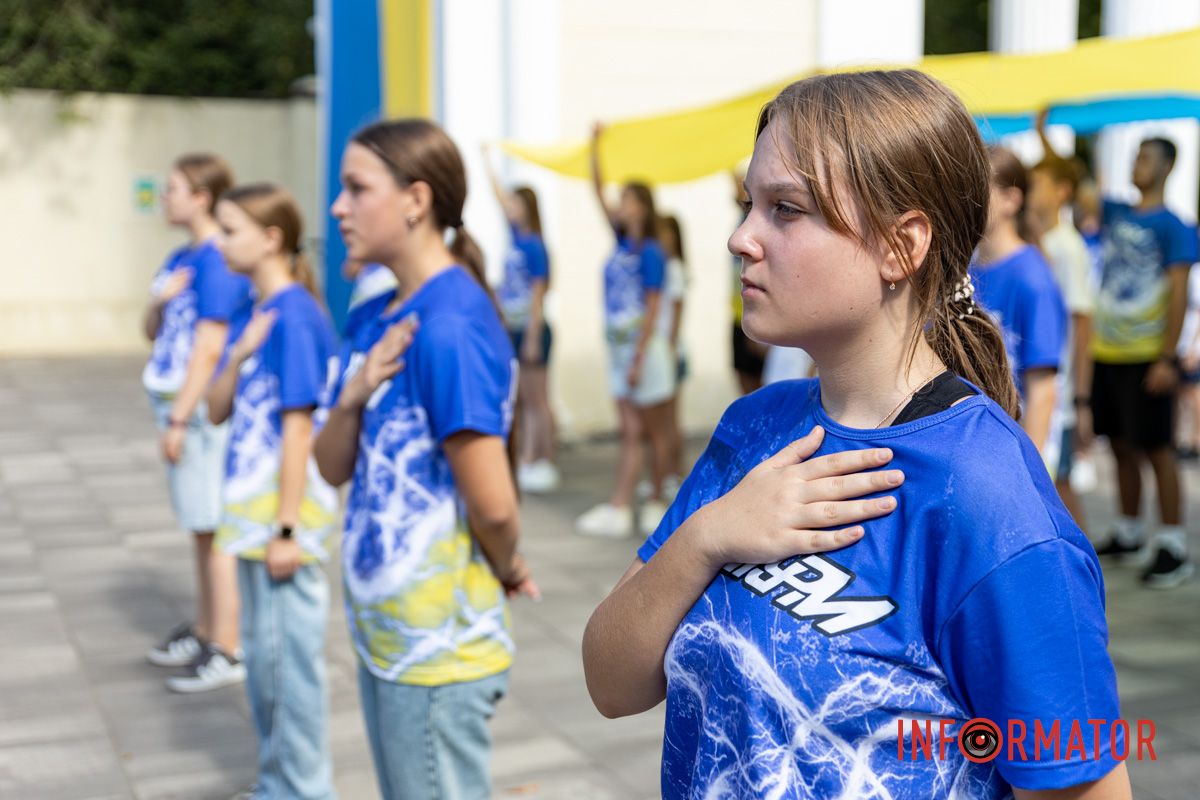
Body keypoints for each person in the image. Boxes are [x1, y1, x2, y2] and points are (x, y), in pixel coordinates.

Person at [583, 70, 1129, 799]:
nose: (741, 238)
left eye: (786, 209)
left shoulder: (990, 499)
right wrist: (709, 534)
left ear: (901, 247)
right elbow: (611, 683)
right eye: (751, 203)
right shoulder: (754, 429)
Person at [315, 119, 538, 800]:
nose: (338, 207)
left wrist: (507, 563)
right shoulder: (381, 312)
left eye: (356, 188)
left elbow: (494, 504)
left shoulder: (449, 325)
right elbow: (330, 467)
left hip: (436, 654)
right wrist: (352, 397)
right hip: (389, 636)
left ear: (415, 200)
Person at [207, 183, 339, 799]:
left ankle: (301, 790)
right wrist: (237, 355)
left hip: (284, 527)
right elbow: (214, 409)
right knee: (264, 668)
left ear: (271, 239)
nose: (220, 240)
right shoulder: (258, 314)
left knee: (289, 673)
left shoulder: (298, 316)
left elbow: (297, 432)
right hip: (255, 524)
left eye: (229, 228)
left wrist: (288, 528)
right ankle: (274, 784)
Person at [142, 153, 252, 693]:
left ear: (202, 196)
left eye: (174, 188)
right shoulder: (179, 258)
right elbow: (152, 328)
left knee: (216, 531)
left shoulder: (216, 260)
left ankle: (227, 647)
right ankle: (209, 629)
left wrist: (181, 418)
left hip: (199, 415)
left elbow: (210, 346)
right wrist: (160, 303)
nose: (165, 198)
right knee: (200, 528)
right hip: (177, 407)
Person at [1080, 134, 1198, 588]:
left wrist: (1168, 357)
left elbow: (1180, 293)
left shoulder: (1174, 226)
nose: (1137, 164)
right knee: (1122, 444)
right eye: (1135, 156)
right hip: (1108, 351)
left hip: (1148, 354)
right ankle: (1129, 531)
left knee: (1157, 448)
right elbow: (1081, 188)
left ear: (1167, 167)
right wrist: (1047, 136)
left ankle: (1171, 544)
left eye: (1146, 157)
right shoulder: (1118, 212)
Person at [575, 123, 677, 538]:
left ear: (644, 206)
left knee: (654, 431)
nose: (621, 205)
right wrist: (594, 146)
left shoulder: (652, 252)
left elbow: (653, 306)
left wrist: (637, 357)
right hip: (621, 350)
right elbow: (597, 192)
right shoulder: (621, 244)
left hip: (644, 351)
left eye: (629, 200)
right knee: (631, 430)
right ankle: (623, 504)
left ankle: (655, 499)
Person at [971, 146, 1067, 471]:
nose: (965, 198)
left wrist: (1030, 472)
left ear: (1011, 200)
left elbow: (1043, 389)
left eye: (977, 188)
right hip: (974, 448)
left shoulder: (1032, 277)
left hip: (1012, 455)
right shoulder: (965, 268)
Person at [1026, 132, 1096, 532]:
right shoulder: (1040, 243)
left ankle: (1079, 569)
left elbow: (1081, 324)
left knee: (1060, 488)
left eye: (1038, 184)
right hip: (1041, 386)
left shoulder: (1067, 249)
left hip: (1060, 391)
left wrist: (1081, 399)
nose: (1029, 192)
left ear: (1061, 192)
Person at [481, 144, 560, 494]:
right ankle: (530, 456)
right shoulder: (516, 237)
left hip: (531, 329)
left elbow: (539, 293)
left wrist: (530, 335)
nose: (509, 208)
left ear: (527, 207)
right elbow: (498, 198)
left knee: (537, 397)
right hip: (512, 327)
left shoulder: (534, 245)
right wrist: (487, 161)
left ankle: (542, 457)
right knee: (522, 398)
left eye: (515, 203)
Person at [730, 169, 769, 394]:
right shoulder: (742, 222)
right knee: (745, 380)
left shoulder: (756, 220)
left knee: (761, 383)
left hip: (753, 307)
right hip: (739, 312)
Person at [658, 213, 688, 497]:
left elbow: (677, 312)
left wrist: (669, 348)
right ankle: (668, 472)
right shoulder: (662, 266)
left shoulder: (675, 268)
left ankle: (674, 473)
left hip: (671, 353)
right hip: (666, 351)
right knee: (664, 421)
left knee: (670, 420)